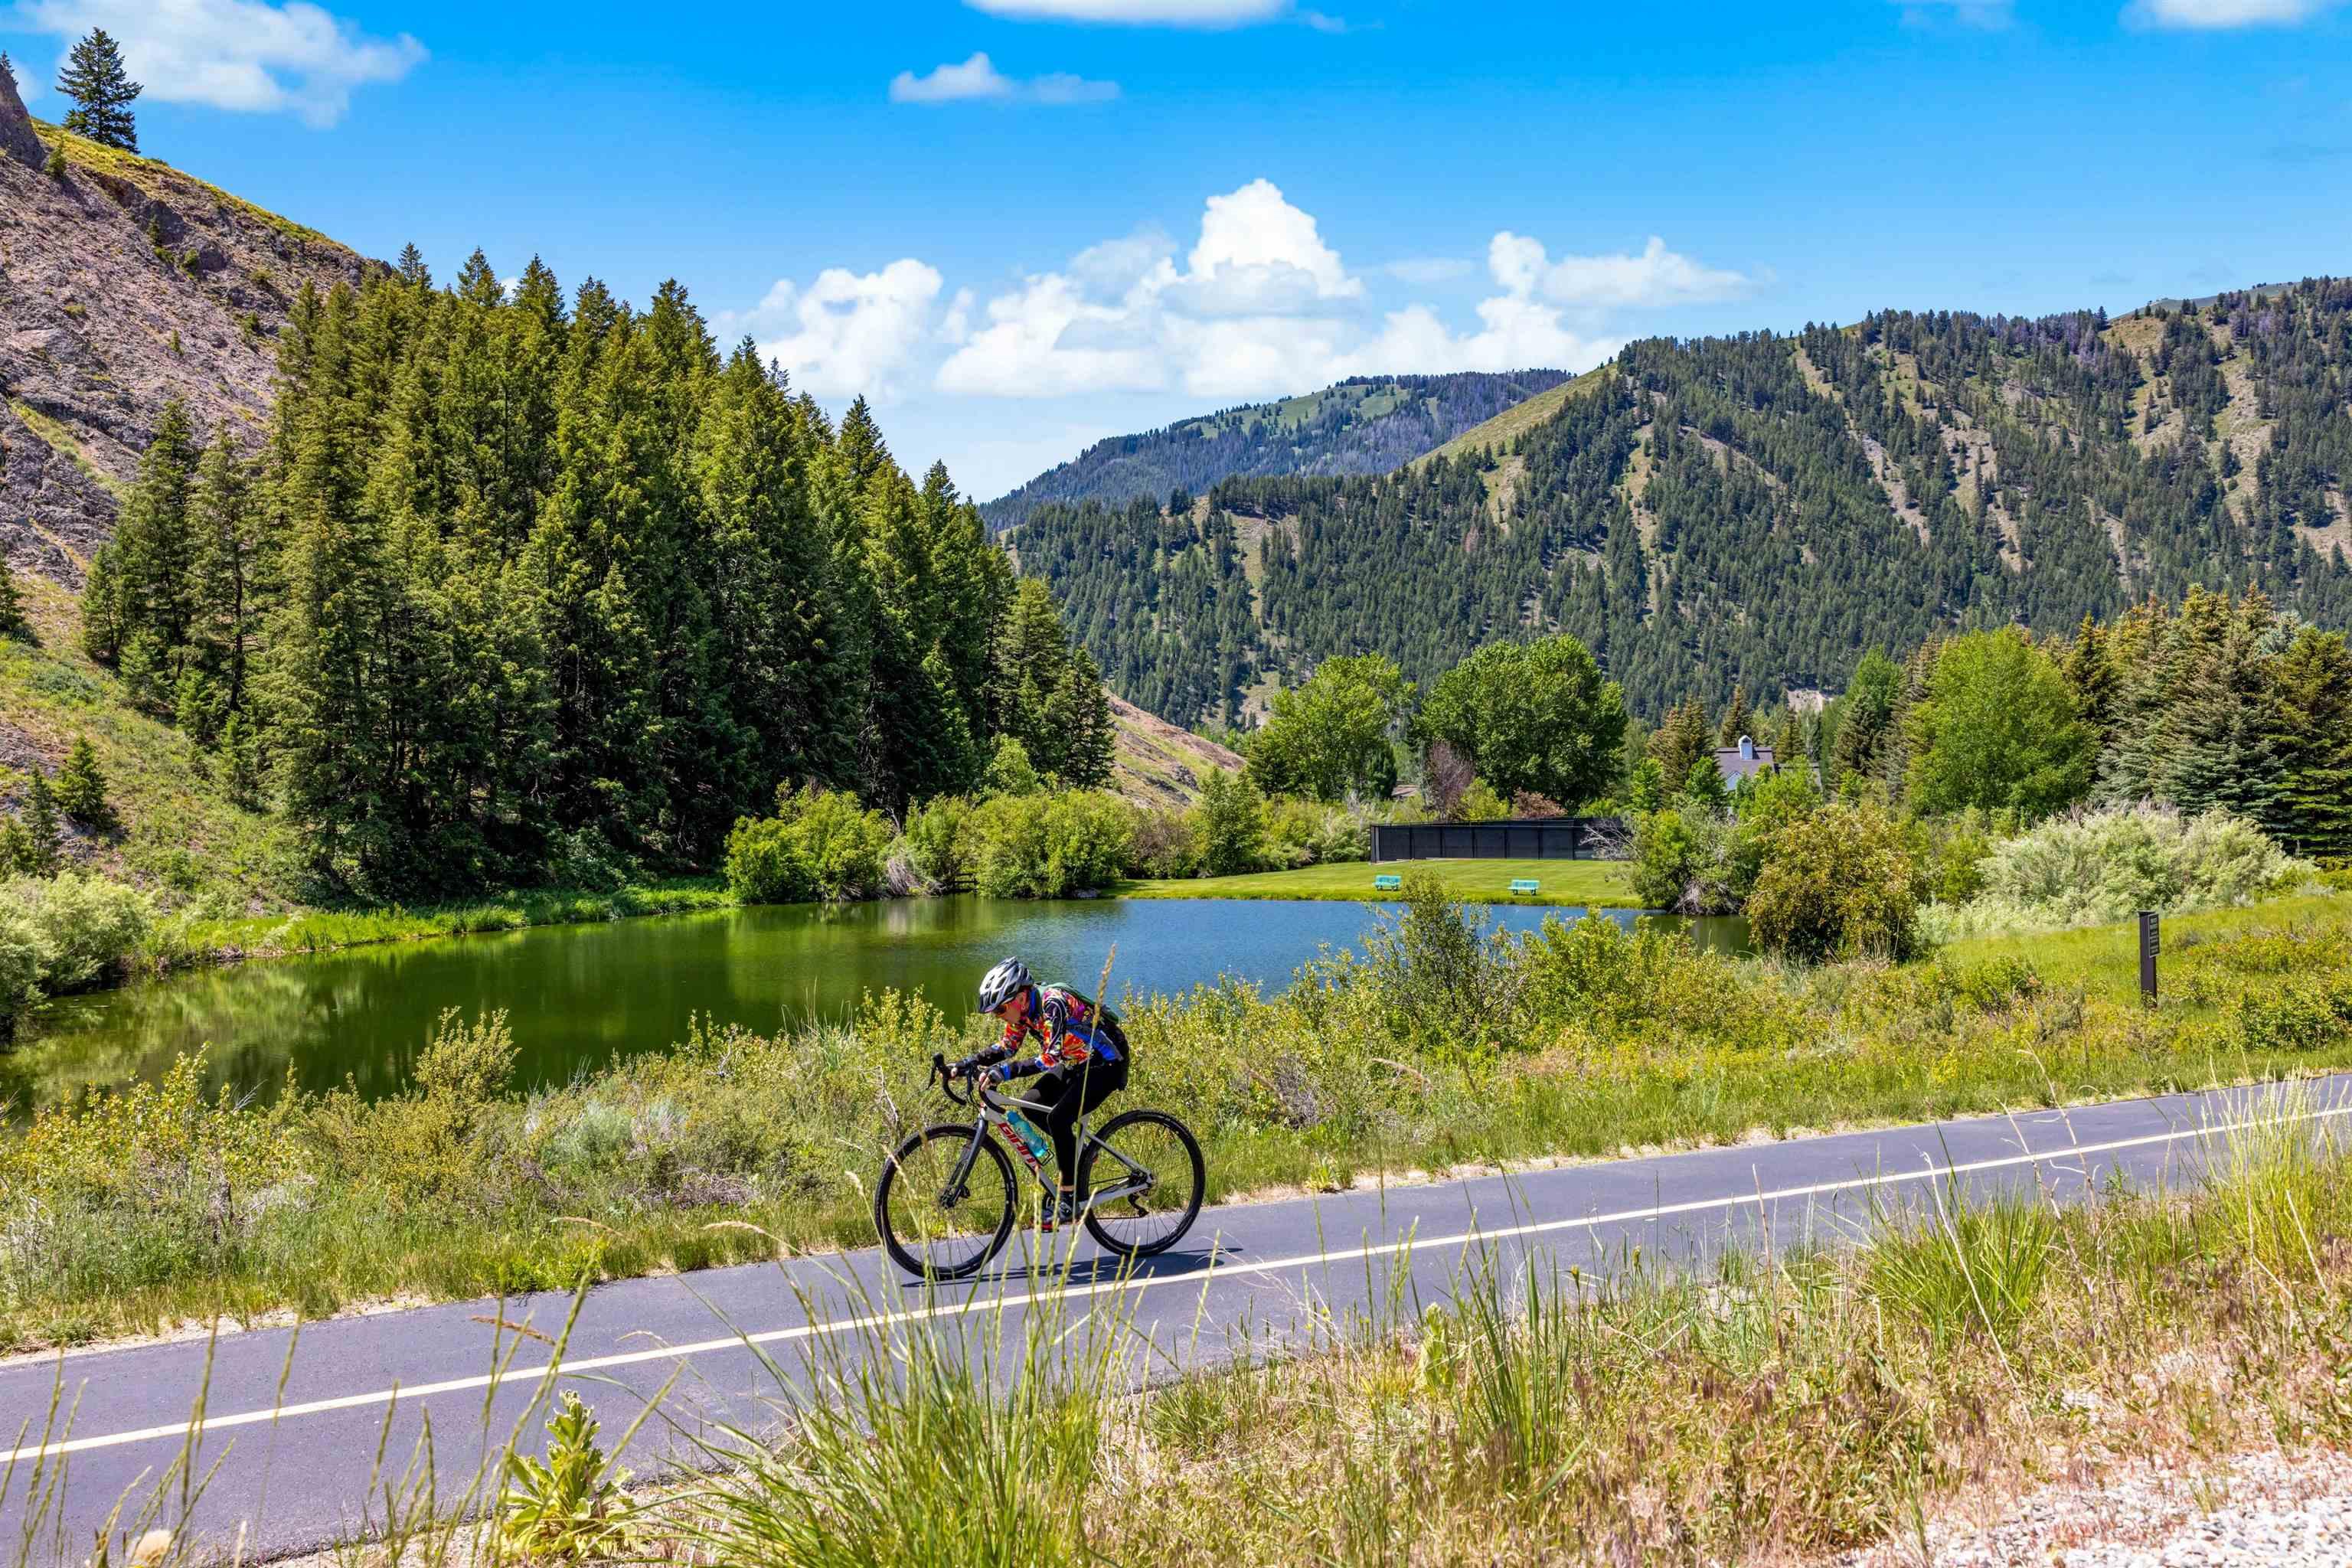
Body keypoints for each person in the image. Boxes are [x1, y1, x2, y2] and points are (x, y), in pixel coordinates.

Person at [971, 956, 1129, 1227]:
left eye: (1000, 1010)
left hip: (1107, 1061)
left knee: (1058, 1119)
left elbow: (1049, 1059)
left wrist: (1004, 1072)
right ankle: (1078, 1158)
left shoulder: (1052, 1003)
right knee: (1031, 1104)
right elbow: (1007, 1047)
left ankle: (1067, 1201)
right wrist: (966, 1064)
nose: (999, 1017)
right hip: (1078, 1060)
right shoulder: (1022, 1012)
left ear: (1019, 998)